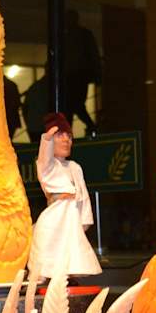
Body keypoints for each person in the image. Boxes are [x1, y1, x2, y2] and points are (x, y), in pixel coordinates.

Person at [29, 113, 99, 279]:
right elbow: (44, 156)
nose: (66, 140)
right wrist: (47, 139)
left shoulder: (75, 167)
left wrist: (84, 221)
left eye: (69, 136)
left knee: (71, 261)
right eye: (60, 135)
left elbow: (83, 196)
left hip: (71, 219)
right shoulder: (46, 165)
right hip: (53, 220)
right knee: (48, 261)